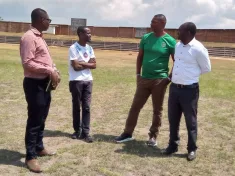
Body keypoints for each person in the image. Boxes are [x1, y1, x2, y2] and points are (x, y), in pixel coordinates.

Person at [115, 14, 176, 146]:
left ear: (162, 23)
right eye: (151, 21)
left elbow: (176, 61)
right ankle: (127, 133)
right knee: (135, 107)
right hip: (144, 79)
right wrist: (138, 74)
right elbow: (140, 57)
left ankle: (153, 136)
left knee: (157, 110)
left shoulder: (170, 41)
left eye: (154, 22)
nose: (151, 24)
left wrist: (169, 78)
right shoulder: (146, 38)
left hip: (160, 80)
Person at [163, 22, 211, 161]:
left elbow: (206, 68)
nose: (177, 33)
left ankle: (191, 149)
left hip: (189, 90)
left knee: (190, 121)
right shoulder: (177, 46)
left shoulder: (198, 49)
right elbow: (176, 64)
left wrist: (190, 75)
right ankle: (172, 145)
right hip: (175, 89)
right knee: (173, 119)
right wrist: (171, 77)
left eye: (180, 31)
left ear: (189, 33)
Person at [20, 8, 60, 173]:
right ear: (40, 19)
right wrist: (49, 71)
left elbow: (44, 60)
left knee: (42, 117)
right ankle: (30, 156)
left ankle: (39, 147)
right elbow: (27, 63)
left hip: (44, 84)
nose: (49, 23)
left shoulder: (40, 38)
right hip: (34, 84)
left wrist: (54, 70)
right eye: (48, 20)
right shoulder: (29, 37)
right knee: (35, 120)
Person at [68, 26, 96, 143]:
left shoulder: (90, 48)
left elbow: (94, 65)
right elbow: (75, 66)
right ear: (80, 34)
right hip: (76, 81)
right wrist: (87, 64)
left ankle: (86, 132)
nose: (90, 35)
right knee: (76, 106)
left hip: (88, 80)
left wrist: (82, 63)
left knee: (87, 107)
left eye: (90, 33)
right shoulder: (73, 48)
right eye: (87, 33)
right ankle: (77, 130)